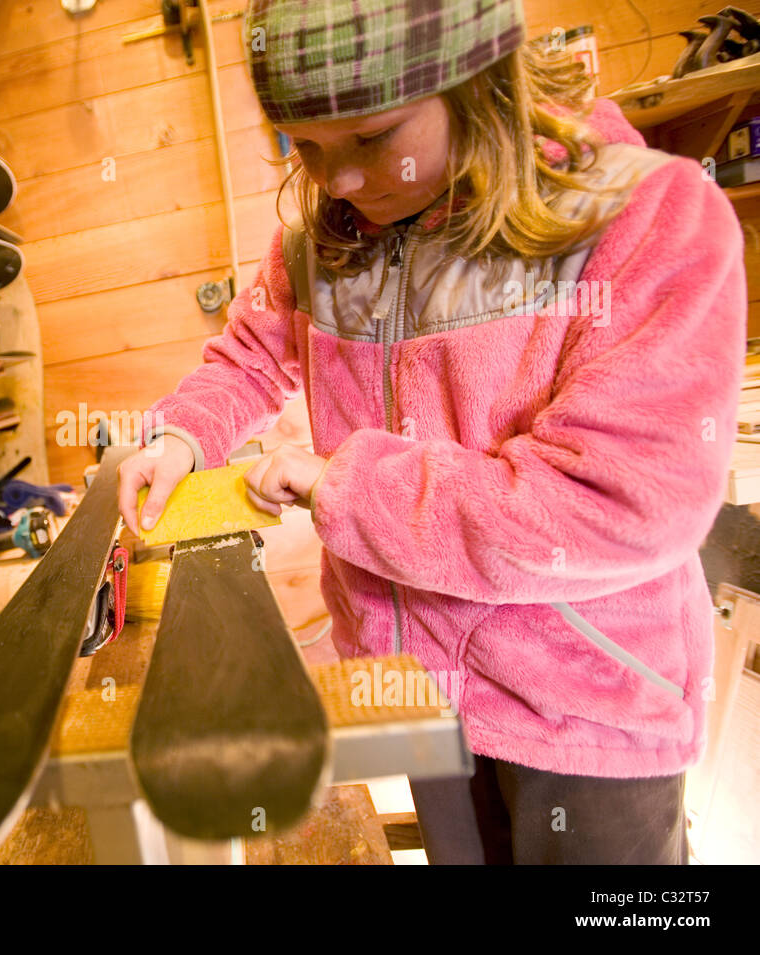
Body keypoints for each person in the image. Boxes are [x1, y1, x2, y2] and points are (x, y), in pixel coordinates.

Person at [115, 0, 747, 864]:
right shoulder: (321, 246)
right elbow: (247, 359)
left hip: (584, 706)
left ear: (478, 79)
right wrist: (183, 435)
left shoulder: (644, 218)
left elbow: (615, 502)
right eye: (305, 147)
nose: (337, 182)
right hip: (416, 691)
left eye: (371, 139)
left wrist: (343, 485)